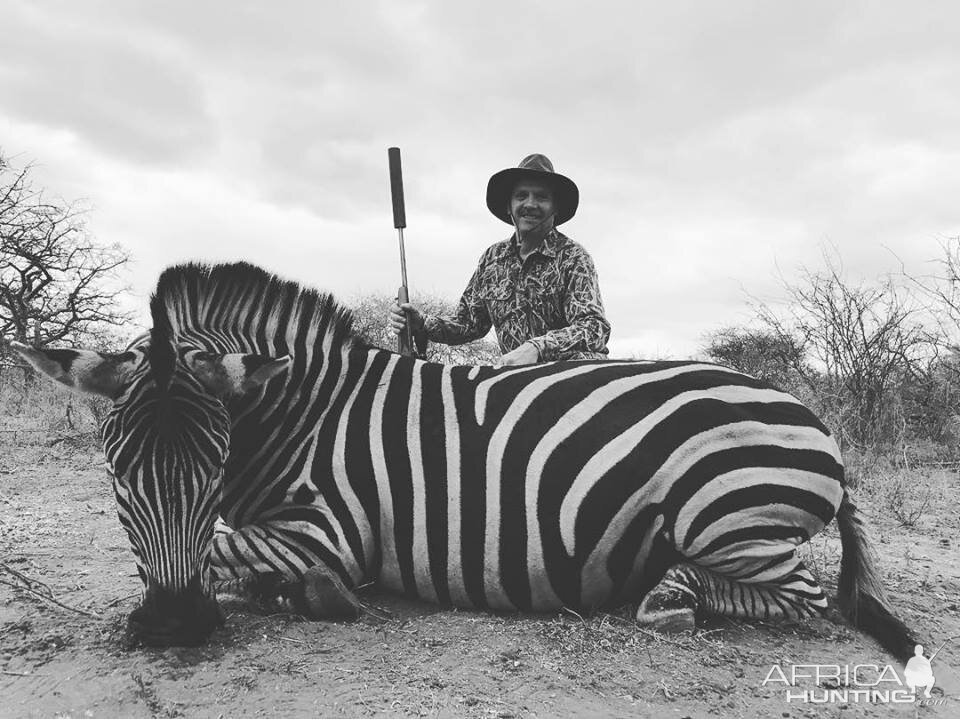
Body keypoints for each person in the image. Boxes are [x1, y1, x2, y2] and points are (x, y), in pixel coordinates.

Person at [388, 154, 610, 365]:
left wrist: (536, 348)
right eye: (521, 196)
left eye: (541, 197)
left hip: (571, 382)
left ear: (555, 208)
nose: (531, 204)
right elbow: (468, 323)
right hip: (514, 385)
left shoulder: (573, 257)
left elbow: (594, 327)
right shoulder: (492, 260)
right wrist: (421, 323)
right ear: (509, 206)